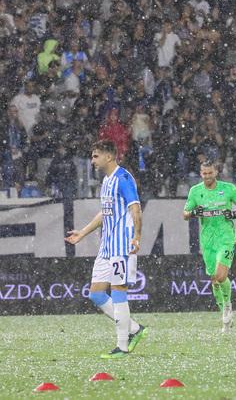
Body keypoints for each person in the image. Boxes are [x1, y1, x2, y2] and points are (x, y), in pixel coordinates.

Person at [64, 140, 146, 359]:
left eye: (95, 156)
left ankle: (122, 346)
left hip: (121, 246)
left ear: (109, 157)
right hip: (107, 246)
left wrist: (137, 236)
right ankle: (135, 329)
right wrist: (82, 232)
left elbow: (135, 208)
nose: (92, 160)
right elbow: (105, 213)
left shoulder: (123, 178)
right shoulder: (106, 181)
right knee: (97, 294)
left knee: (119, 292)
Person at [184, 160, 236, 334]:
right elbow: (185, 214)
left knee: (220, 276)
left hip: (225, 238)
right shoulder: (195, 191)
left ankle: (228, 305)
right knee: (213, 279)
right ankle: (225, 317)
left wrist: (233, 214)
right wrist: (193, 212)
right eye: (204, 173)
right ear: (201, 173)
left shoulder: (228, 189)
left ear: (216, 172)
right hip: (207, 241)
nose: (207, 176)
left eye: (210, 173)